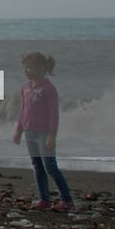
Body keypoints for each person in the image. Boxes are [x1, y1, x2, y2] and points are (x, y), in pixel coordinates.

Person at [12, 51, 73, 212]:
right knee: (37, 166)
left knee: (50, 167)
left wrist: (52, 135)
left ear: (41, 68)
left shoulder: (48, 89)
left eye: (29, 67)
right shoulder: (25, 87)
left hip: (44, 134)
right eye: (25, 67)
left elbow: (54, 114)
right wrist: (18, 130)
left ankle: (67, 200)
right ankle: (44, 199)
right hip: (29, 132)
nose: (26, 71)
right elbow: (23, 110)